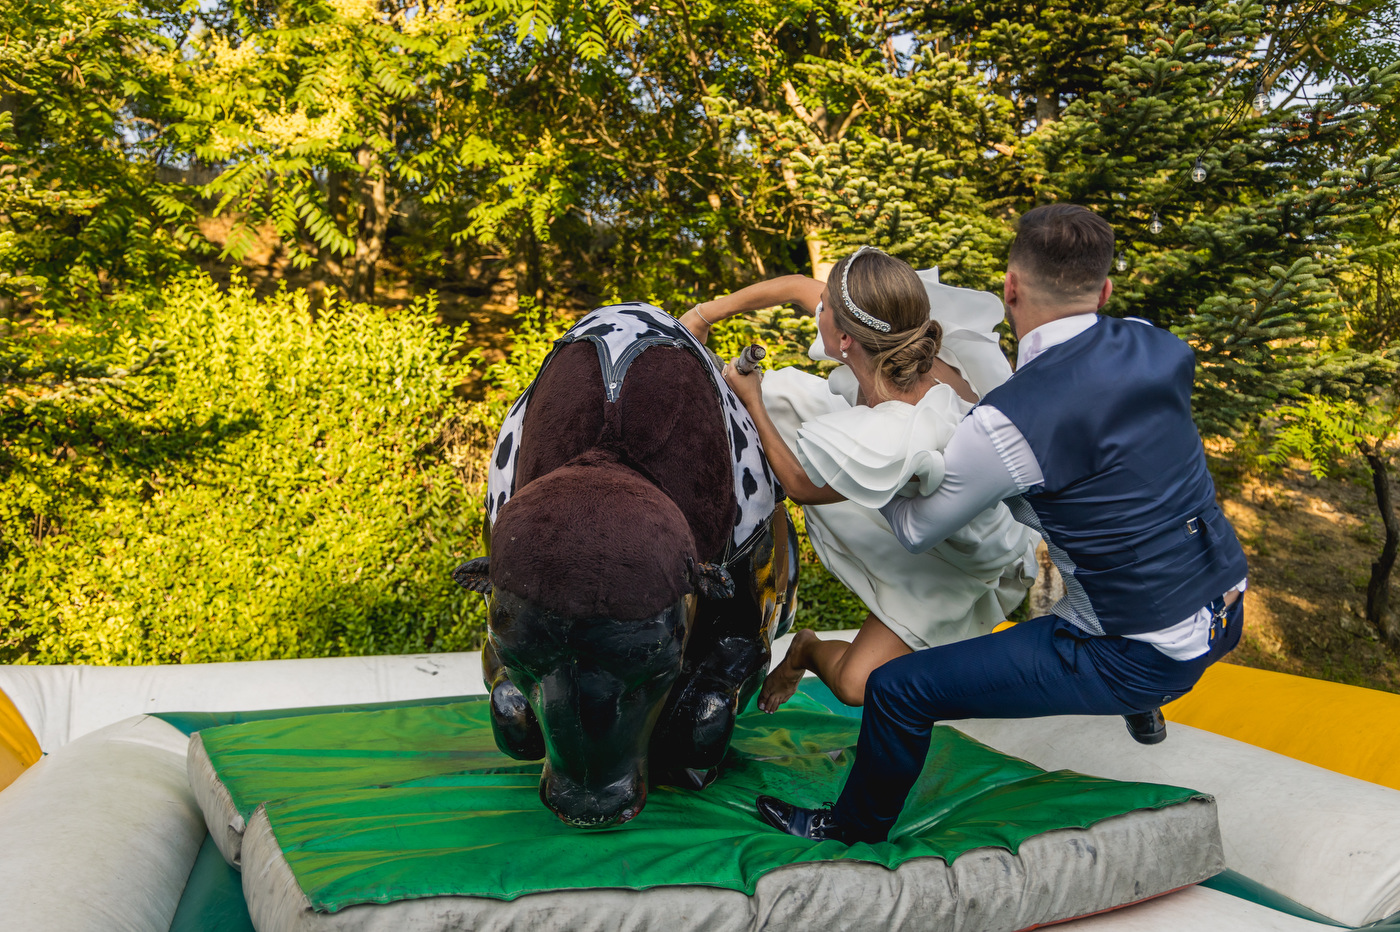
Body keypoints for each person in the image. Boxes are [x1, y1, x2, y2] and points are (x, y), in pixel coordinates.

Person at [752, 203, 1249, 845]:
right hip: (1227, 605)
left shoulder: (1006, 422)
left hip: (1136, 654)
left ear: (1009, 290)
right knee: (1076, 555)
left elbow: (914, 531)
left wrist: (906, 470)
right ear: (1105, 292)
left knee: (900, 691)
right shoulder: (1157, 345)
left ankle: (849, 827)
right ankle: (1136, 692)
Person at [679, 248, 1040, 712]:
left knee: (856, 686)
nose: (817, 309)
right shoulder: (886, 329)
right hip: (910, 504)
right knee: (785, 397)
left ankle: (806, 648)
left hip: (954, 557)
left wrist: (752, 402)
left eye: (824, 309)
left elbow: (803, 486)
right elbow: (792, 286)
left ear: (847, 339)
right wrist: (704, 313)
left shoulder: (907, 428)